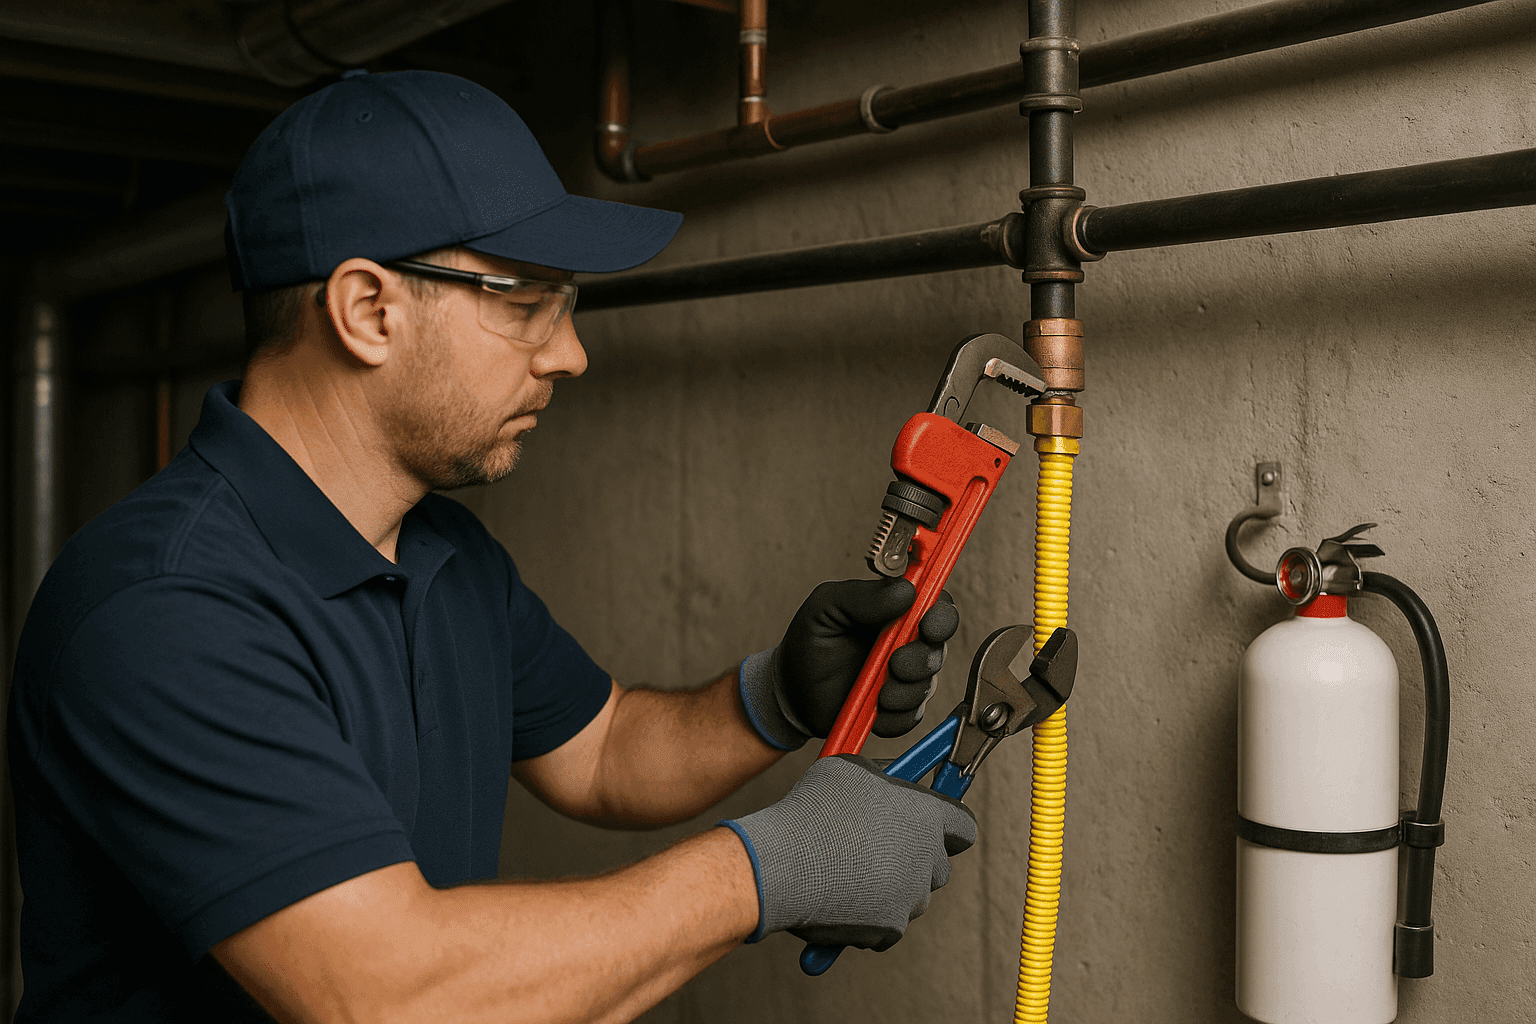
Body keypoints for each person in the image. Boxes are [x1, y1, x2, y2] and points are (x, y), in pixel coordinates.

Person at [8, 70, 976, 1024]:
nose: (569, 353)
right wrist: (770, 869)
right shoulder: (161, 609)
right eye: (525, 305)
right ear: (367, 310)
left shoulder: (446, 554)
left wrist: (774, 698)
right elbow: (385, 994)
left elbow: (599, 751)